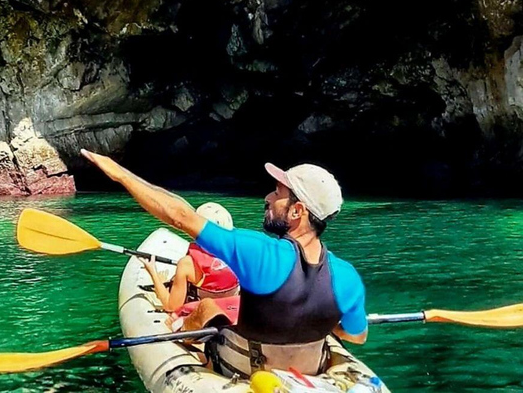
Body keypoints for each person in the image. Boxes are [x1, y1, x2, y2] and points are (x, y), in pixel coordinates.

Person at [80, 149, 367, 377]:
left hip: (240, 368)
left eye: (278, 194)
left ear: (298, 211)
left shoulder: (258, 252)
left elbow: (180, 216)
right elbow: (357, 336)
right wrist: (322, 322)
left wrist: (121, 175)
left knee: (210, 311)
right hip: (305, 372)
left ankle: (184, 338)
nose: (268, 198)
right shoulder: (348, 277)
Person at [140, 202, 239, 313]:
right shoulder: (241, 255)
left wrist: (152, 271)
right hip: (233, 312)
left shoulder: (187, 264)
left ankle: (164, 283)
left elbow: (171, 307)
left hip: (203, 316)